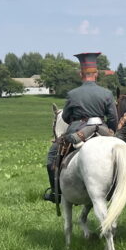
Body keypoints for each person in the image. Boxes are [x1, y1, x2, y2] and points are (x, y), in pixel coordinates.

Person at [43, 52, 118, 202]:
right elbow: (113, 117)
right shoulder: (107, 93)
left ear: (80, 74)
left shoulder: (72, 94)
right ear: (96, 74)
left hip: (78, 131)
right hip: (103, 130)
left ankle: (56, 194)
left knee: (52, 156)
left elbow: (64, 117)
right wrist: (111, 130)